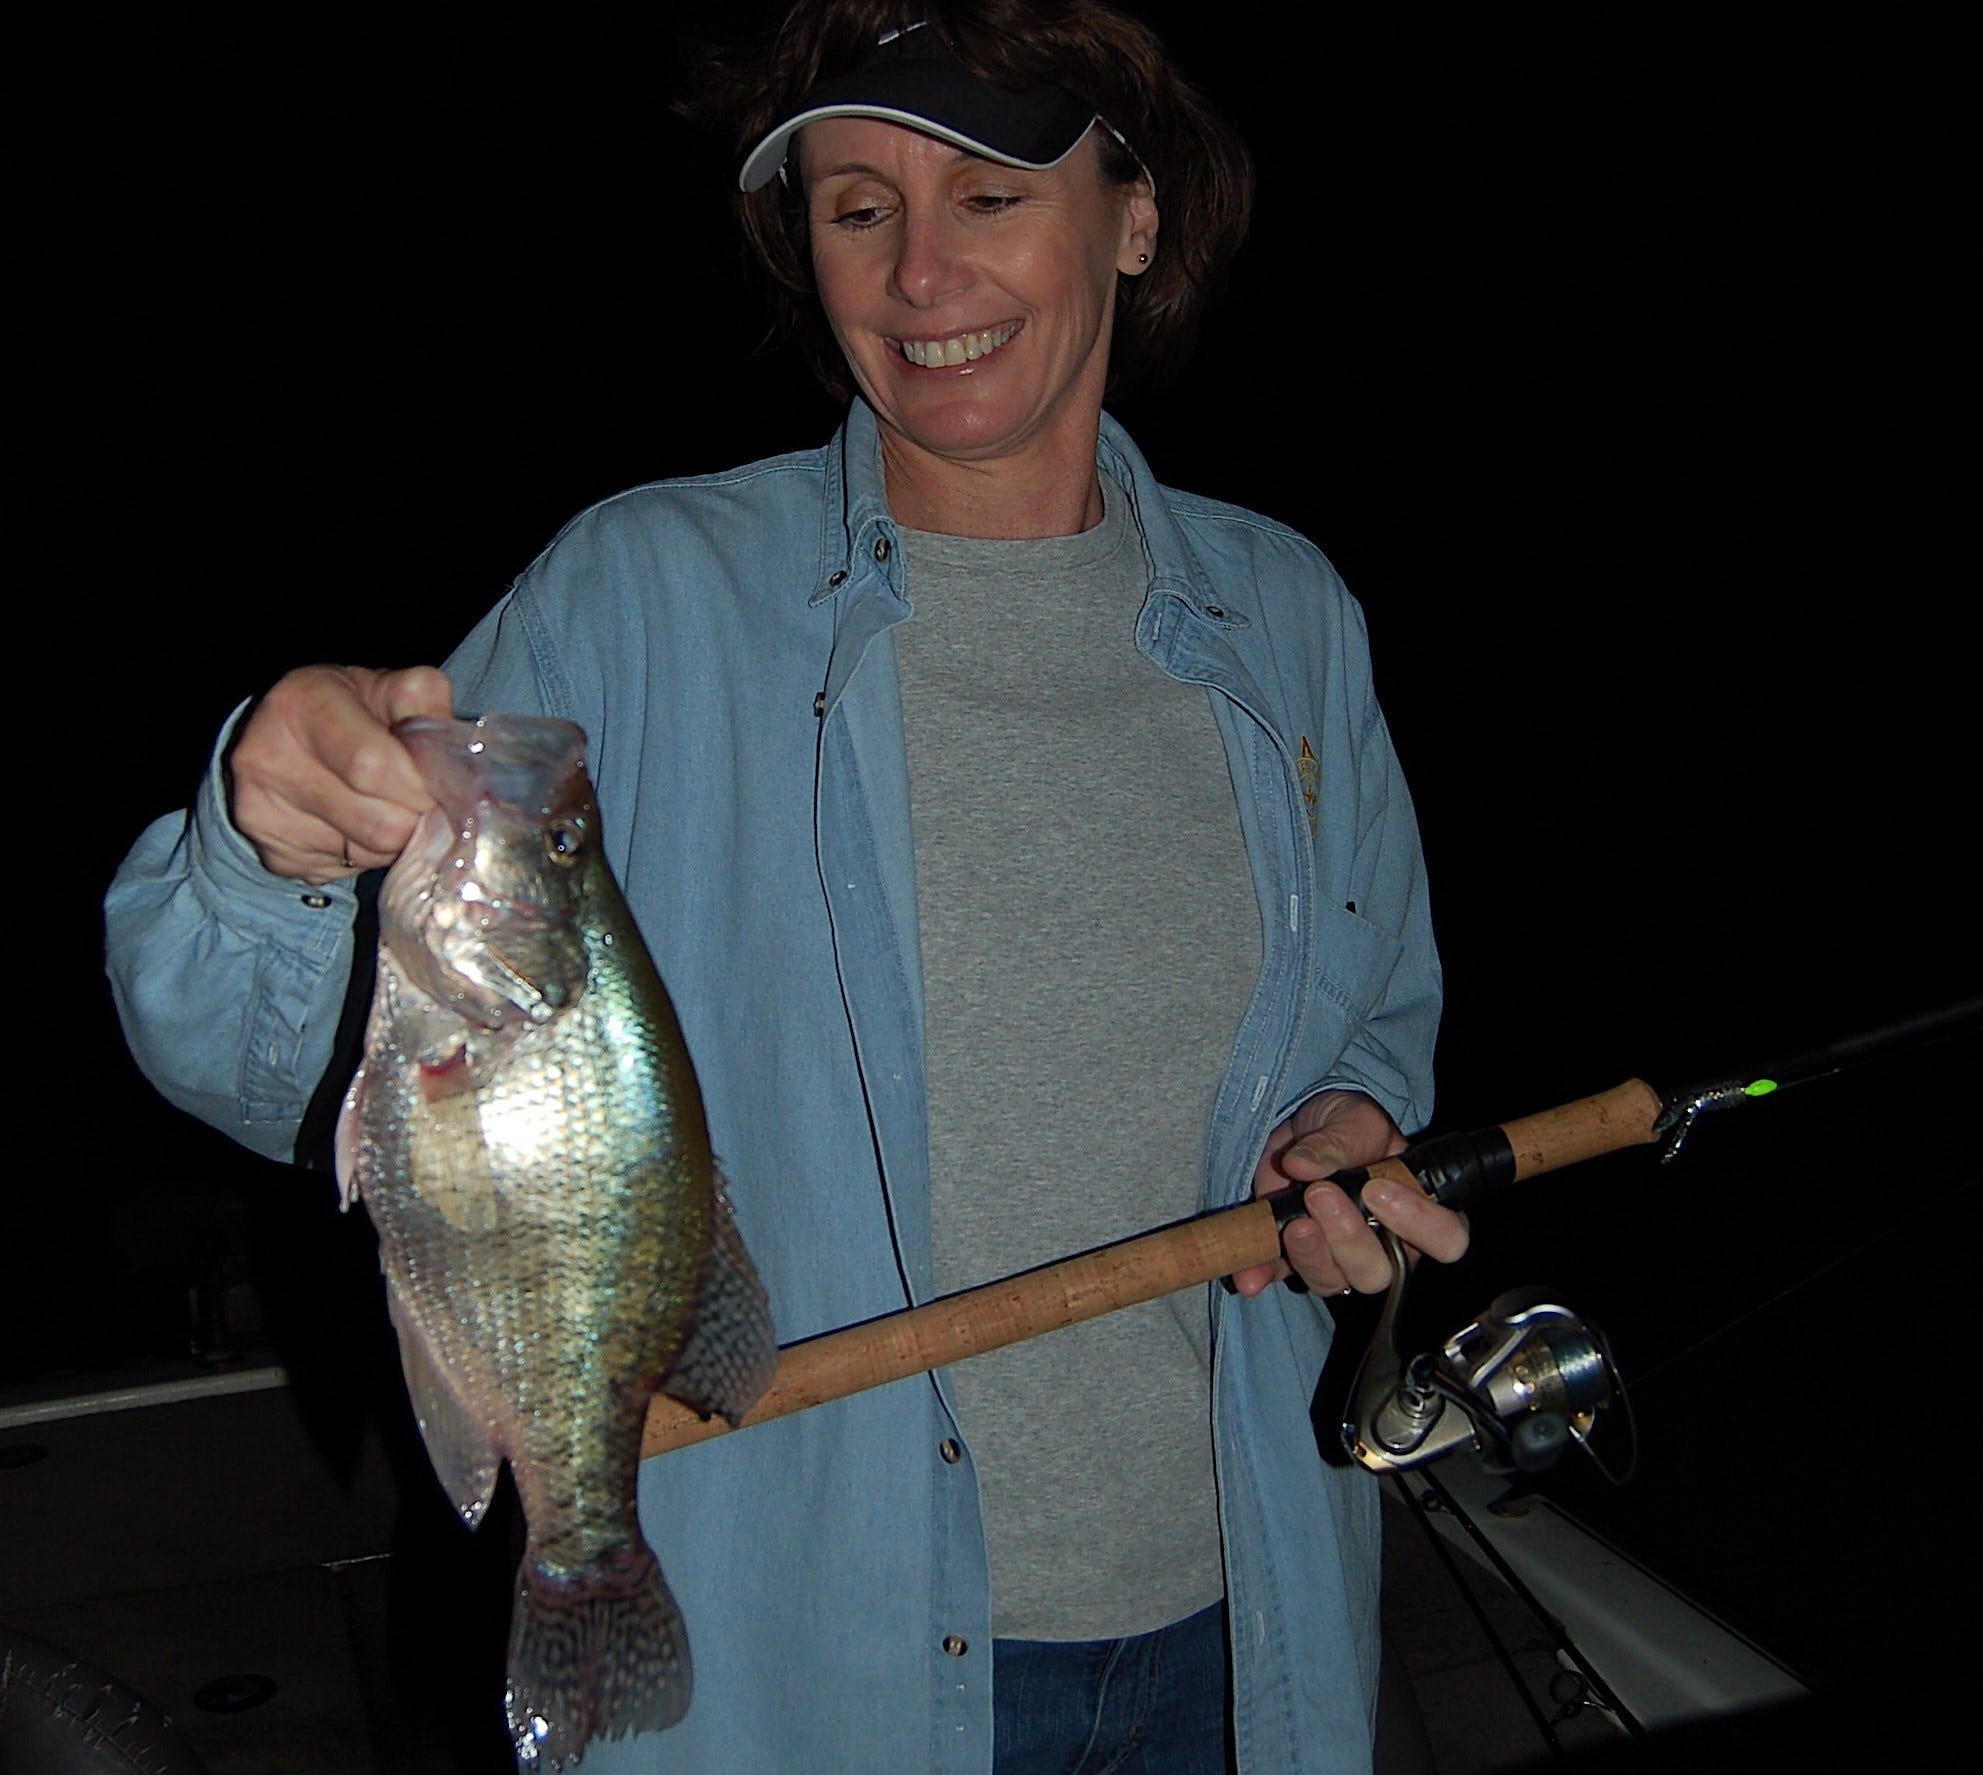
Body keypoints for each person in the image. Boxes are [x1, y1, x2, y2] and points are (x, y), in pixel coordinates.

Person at [104, 3, 1468, 1770]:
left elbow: (1377, 1009)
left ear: (1136, 218)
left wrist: (1346, 1123)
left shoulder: (1289, 619)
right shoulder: (648, 596)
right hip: (825, 1678)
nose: (919, 275)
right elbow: (265, 1060)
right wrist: (269, 840)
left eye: (987, 195)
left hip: (1247, 1625)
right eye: (856, 210)